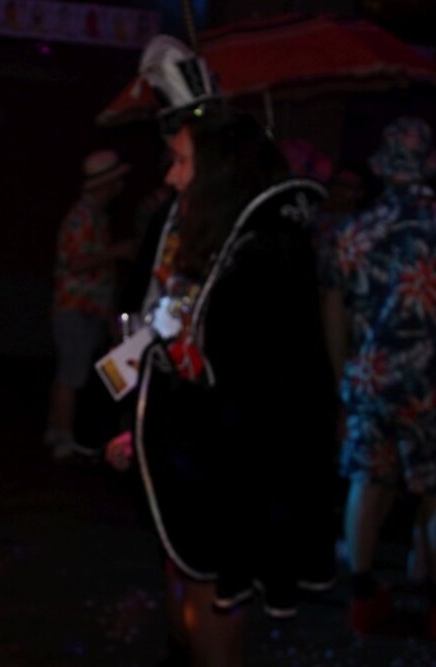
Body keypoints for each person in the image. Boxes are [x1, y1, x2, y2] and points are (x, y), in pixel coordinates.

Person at [105, 106, 335, 666]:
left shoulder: (265, 252)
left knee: (215, 596)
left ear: (219, 172)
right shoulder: (211, 242)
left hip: (230, 469)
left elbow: (257, 387)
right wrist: (142, 423)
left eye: (183, 162)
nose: (170, 177)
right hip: (190, 456)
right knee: (187, 580)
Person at [320, 116, 436, 641]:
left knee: (366, 482)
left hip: (370, 375)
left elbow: (332, 308)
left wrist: (344, 375)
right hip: (433, 380)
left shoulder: (352, 231)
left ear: (384, 168)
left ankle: (361, 595)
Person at [44, 148, 137, 461]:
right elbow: (75, 263)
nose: (121, 187)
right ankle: (64, 438)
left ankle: (57, 429)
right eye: (117, 181)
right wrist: (117, 251)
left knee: (69, 373)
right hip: (75, 308)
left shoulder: (95, 217)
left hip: (88, 308)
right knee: (72, 375)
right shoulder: (81, 218)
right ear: (106, 184)